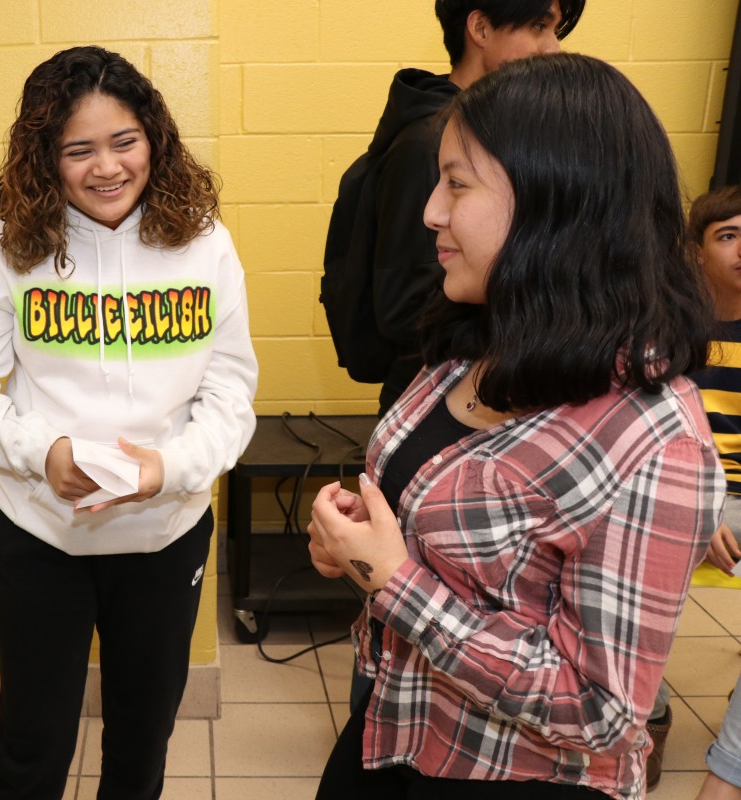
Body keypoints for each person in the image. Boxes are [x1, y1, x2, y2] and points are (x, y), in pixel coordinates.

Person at [307, 53, 724, 800]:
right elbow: (442, 522)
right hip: (391, 726)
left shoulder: (657, 443)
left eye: (457, 184)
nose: (432, 211)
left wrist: (395, 580)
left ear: (554, 204)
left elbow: (599, 708)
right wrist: (359, 540)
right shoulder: (475, 335)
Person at [0, 45, 258, 800]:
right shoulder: (6, 250)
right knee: (32, 739)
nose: (106, 168)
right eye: (79, 150)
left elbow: (231, 393)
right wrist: (42, 451)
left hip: (165, 533)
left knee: (143, 735)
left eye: (125, 142)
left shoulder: (204, 242)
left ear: (155, 139)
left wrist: (167, 470)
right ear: (46, 158)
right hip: (39, 534)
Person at [321, 0, 584, 417]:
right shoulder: (428, 142)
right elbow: (403, 305)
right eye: (537, 26)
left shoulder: (502, 136)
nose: (552, 47)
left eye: (555, 30)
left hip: (488, 388)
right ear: (480, 28)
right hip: (432, 401)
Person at [691, 185, 741, 800]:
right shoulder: (671, 333)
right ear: (696, 252)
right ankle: (642, 717)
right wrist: (701, 513)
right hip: (689, 500)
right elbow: (659, 444)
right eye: (727, 235)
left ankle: (727, 772)